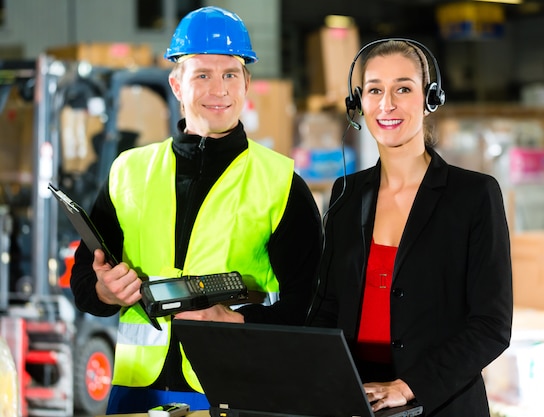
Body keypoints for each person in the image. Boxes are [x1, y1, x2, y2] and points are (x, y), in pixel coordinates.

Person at [69, 6, 322, 414]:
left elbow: (312, 303)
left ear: (246, 83)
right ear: (177, 84)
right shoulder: (128, 172)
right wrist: (103, 290)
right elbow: (85, 276)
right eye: (202, 75)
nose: (218, 90)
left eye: (230, 74)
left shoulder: (281, 182)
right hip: (136, 389)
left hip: (232, 385)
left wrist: (241, 323)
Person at [307, 39, 513, 416]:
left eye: (403, 88)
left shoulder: (473, 196)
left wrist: (408, 387)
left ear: (429, 99)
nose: (387, 104)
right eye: (374, 90)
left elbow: (491, 325)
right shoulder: (346, 195)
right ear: (359, 104)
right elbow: (327, 309)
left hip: (439, 404)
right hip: (358, 402)